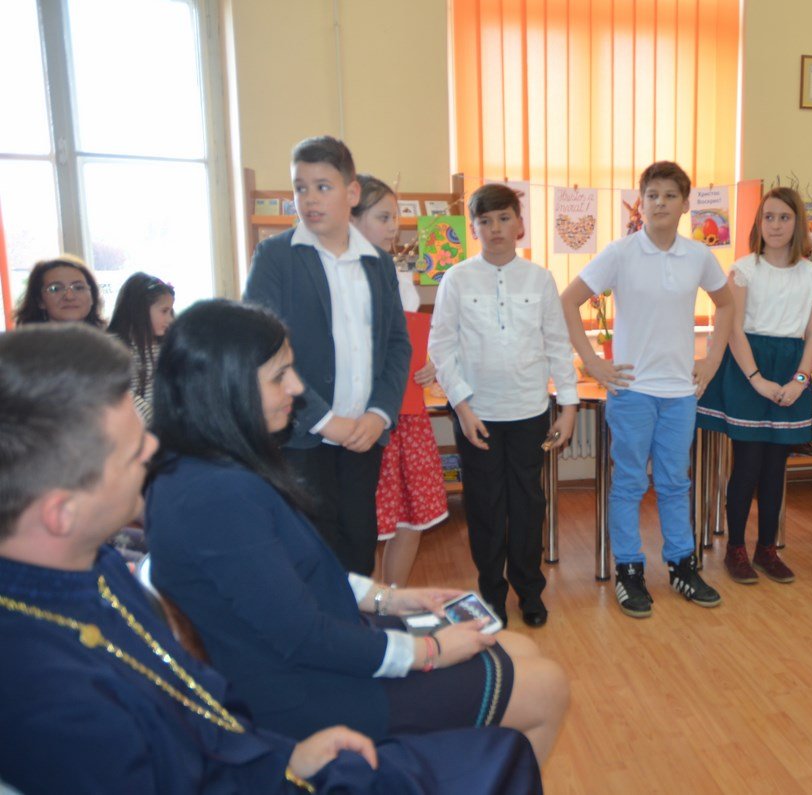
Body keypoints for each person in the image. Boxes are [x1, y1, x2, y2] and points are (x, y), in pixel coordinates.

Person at [0, 324, 544, 794]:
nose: (152, 452)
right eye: (131, 451)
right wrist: (426, 652)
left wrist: (286, 756)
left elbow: (201, 700)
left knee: (521, 657)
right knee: (525, 716)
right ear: (60, 513)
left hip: (265, 744)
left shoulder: (89, 567)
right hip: (291, 710)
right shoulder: (47, 693)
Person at [145, 300, 568, 767]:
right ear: (223, 386)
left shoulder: (212, 468)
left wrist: (392, 599)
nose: (297, 387)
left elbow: (292, 579)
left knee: (518, 647)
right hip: (302, 694)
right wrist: (429, 651)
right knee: (546, 688)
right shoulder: (216, 495)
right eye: (279, 376)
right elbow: (304, 637)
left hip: (315, 654)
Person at [561, 161, 733, 619]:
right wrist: (594, 363)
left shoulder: (698, 256)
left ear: (685, 204)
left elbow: (726, 303)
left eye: (670, 195)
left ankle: (681, 565)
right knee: (630, 483)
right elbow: (568, 301)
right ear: (641, 202)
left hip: (679, 393)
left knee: (675, 483)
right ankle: (629, 571)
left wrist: (712, 360)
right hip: (632, 391)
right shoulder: (620, 253)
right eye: (652, 195)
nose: (660, 203)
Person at [244, 136, 412, 576]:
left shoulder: (377, 262)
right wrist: (322, 419)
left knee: (359, 543)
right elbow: (260, 349)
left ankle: (358, 620)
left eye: (323, 187)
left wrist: (379, 413)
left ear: (351, 192)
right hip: (301, 437)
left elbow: (397, 344)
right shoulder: (275, 256)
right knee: (309, 553)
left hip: (363, 435)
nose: (310, 199)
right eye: (301, 188)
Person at [428, 183, 579, 628]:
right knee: (485, 506)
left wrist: (569, 408)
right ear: (474, 228)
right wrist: (462, 407)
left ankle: (529, 591)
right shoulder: (456, 278)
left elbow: (557, 344)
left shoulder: (540, 278)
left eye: (503, 218)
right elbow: (441, 347)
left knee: (529, 505)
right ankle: (491, 594)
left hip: (530, 411)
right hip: (477, 415)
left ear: (519, 224)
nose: (495, 228)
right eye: (485, 221)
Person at [696, 187, 812, 584]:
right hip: (747, 367)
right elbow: (733, 328)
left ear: (797, 223)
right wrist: (757, 379)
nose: (775, 225)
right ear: (758, 223)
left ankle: (767, 549)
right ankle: (735, 548)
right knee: (747, 466)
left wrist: (800, 381)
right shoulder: (745, 269)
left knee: (775, 469)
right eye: (768, 217)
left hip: (790, 370)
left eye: (784, 217)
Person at [351, 175, 448, 587]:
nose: (394, 227)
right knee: (367, 524)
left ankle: (394, 599)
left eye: (396, 218)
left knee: (412, 518)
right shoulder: (338, 278)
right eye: (383, 217)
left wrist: (430, 365)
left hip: (406, 414)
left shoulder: (399, 276)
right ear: (352, 218)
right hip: (362, 419)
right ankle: (369, 609)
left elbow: (412, 341)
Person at [108, 272, 176, 421]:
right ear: (140, 309)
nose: (170, 319)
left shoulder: (165, 346)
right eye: (164, 311)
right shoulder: (113, 347)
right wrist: (154, 420)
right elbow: (121, 392)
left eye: (171, 311)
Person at [13, 255, 105, 327]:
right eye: (55, 289)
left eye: (78, 288)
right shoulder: (22, 345)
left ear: (92, 296)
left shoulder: (108, 343)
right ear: (40, 301)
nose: (69, 296)